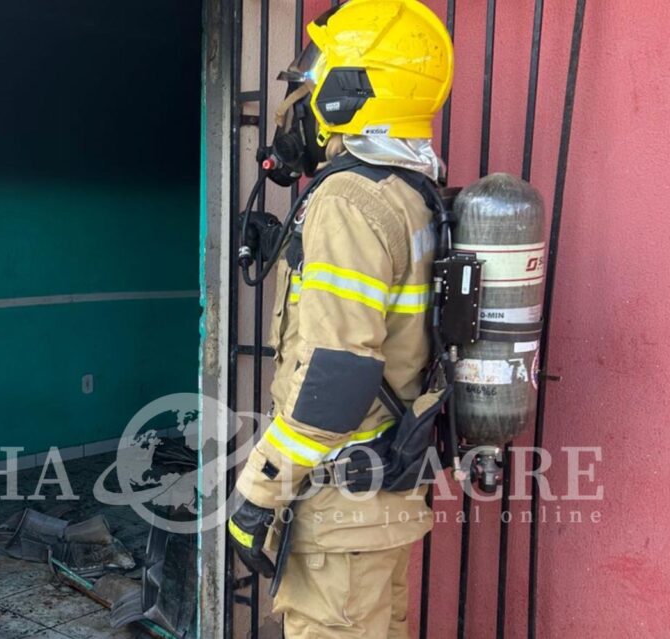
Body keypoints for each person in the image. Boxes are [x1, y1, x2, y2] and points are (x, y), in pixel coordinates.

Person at [227, 1, 454, 637]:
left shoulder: (347, 201)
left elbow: (337, 375)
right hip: (378, 508)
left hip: (340, 513)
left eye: (313, 70)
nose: (297, 91)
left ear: (351, 88)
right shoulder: (412, 194)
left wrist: (260, 491)